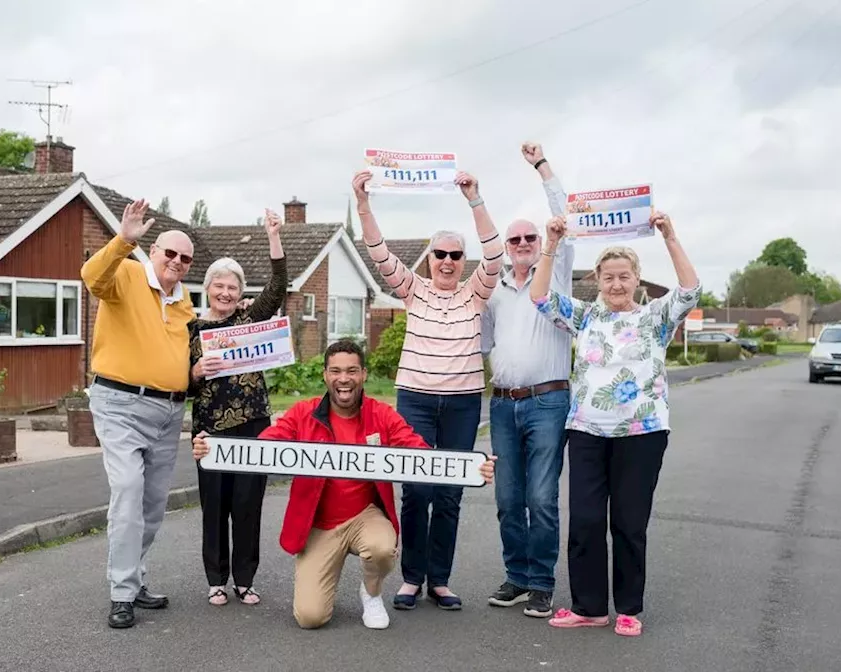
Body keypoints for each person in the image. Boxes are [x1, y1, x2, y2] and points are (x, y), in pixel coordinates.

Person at [190, 340, 497, 630]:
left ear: (363, 374)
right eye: (336, 371)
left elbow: (416, 449)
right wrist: (213, 449)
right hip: (319, 524)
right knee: (310, 618)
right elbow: (262, 447)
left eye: (352, 370)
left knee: (380, 548)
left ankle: (372, 593)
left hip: (365, 516)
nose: (344, 379)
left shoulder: (381, 414)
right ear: (325, 375)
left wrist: (467, 468)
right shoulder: (303, 413)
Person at [529, 211, 701, 637]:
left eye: (624, 276)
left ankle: (628, 608)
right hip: (587, 431)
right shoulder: (585, 316)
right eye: (608, 277)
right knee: (586, 520)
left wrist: (670, 236)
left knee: (628, 522)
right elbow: (539, 297)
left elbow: (691, 290)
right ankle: (589, 606)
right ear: (598, 280)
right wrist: (550, 243)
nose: (617, 284)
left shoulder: (655, 318)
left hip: (642, 435)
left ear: (637, 279)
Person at [352, 168, 504, 611]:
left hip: (461, 405)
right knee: (417, 490)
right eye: (439, 253)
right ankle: (411, 577)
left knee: (449, 493)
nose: (447, 260)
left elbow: (494, 254)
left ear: (463, 261)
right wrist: (363, 204)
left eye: (456, 255)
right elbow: (378, 252)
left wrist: (474, 198)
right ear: (429, 257)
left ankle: (440, 579)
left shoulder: (475, 293)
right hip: (415, 400)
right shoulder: (412, 290)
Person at [81, 198, 197, 630]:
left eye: (186, 258)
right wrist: (123, 240)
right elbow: (91, 277)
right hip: (120, 404)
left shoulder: (185, 304)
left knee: (152, 505)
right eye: (170, 253)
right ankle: (121, 592)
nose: (177, 262)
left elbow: (182, 357)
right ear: (154, 252)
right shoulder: (126, 273)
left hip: (169, 412)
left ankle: (134, 577)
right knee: (128, 491)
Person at [478, 141, 575, 617]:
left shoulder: (555, 276)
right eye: (513, 241)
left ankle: (541, 582)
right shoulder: (494, 290)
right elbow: (482, 345)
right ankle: (516, 576)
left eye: (528, 240)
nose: (520, 246)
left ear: (540, 243)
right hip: (502, 403)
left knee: (541, 495)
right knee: (507, 496)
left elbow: (565, 215)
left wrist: (542, 166)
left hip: (548, 402)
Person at [187, 208, 288, 607]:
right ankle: (216, 578)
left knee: (248, 503)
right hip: (209, 429)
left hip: (253, 424)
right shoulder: (190, 329)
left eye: (233, 287)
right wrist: (195, 369)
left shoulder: (250, 318)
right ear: (208, 288)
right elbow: (178, 381)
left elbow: (279, 286)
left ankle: (244, 579)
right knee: (215, 504)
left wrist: (273, 236)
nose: (226, 293)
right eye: (219, 286)